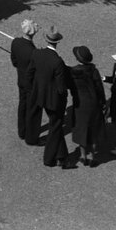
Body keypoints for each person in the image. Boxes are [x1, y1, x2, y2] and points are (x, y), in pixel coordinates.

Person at [30, 27, 75, 167]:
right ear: (58, 42)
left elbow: (31, 72)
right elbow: (61, 87)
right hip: (55, 101)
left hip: (41, 96)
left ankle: (63, 157)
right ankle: (49, 159)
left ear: (46, 40)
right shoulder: (58, 62)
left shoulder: (37, 53)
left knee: (56, 127)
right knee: (55, 128)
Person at [69, 45, 107, 166]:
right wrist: (103, 102)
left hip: (80, 104)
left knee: (82, 129)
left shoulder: (74, 72)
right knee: (94, 131)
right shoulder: (94, 71)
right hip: (94, 104)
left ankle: (83, 155)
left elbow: (71, 87)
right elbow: (100, 89)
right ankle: (94, 157)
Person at [10, 18, 41, 146]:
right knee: (32, 110)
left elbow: (14, 61)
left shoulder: (16, 42)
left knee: (22, 105)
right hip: (31, 84)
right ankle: (31, 137)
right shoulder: (33, 52)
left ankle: (22, 131)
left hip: (21, 79)